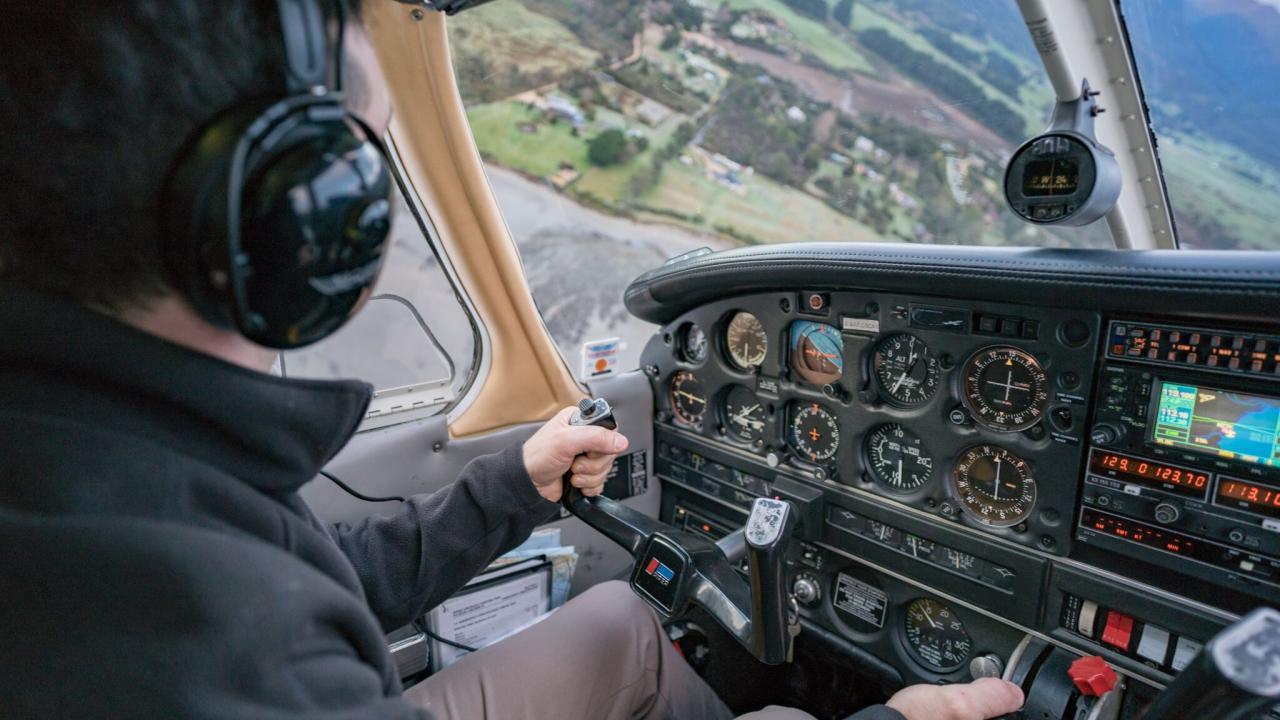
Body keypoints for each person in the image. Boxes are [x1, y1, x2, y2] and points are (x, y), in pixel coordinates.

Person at [0, 2, 1024, 719]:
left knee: (624, 619)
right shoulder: (194, 642)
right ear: (289, 210)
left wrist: (508, 487)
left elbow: (305, 573)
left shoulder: (103, 449)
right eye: (368, 160)